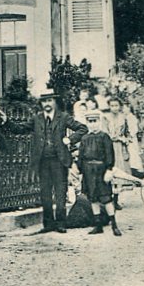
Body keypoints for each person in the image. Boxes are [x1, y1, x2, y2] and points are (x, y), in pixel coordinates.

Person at [31, 91, 87, 234]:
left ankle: (61, 223)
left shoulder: (63, 117)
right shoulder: (36, 119)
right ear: (41, 104)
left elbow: (83, 128)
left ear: (54, 102)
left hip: (59, 160)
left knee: (60, 192)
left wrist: (70, 139)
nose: (47, 104)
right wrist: (5, 121)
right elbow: (20, 128)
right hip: (42, 161)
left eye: (49, 100)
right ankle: (48, 224)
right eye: (44, 101)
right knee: (45, 193)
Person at [77, 110, 121, 236]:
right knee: (93, 198)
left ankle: (114, 225)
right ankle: (98, 225)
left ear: (99, 122)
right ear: (87, 123)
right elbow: (81, 156)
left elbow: (109, 155)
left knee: (106, 198)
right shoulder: (85, 138)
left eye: (95, 121)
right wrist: (79, 170)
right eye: (90, 122)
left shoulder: (104, 137)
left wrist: (109, 170)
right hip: (88, 171)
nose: (93, 124)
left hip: (101, 170)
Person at [104, 97, 132, 211]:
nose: (114, 108)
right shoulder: (106, 118)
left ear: (119, 106)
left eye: (116, 105)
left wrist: (125, 139)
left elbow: (127, 132)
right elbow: (104, 132)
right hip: (109, 146)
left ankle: (116, 199)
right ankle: (108, 199)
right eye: (112, 106)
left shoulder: (123, 118)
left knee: (118, 171)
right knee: (109, 170)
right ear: (109, 106)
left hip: (119, 147)